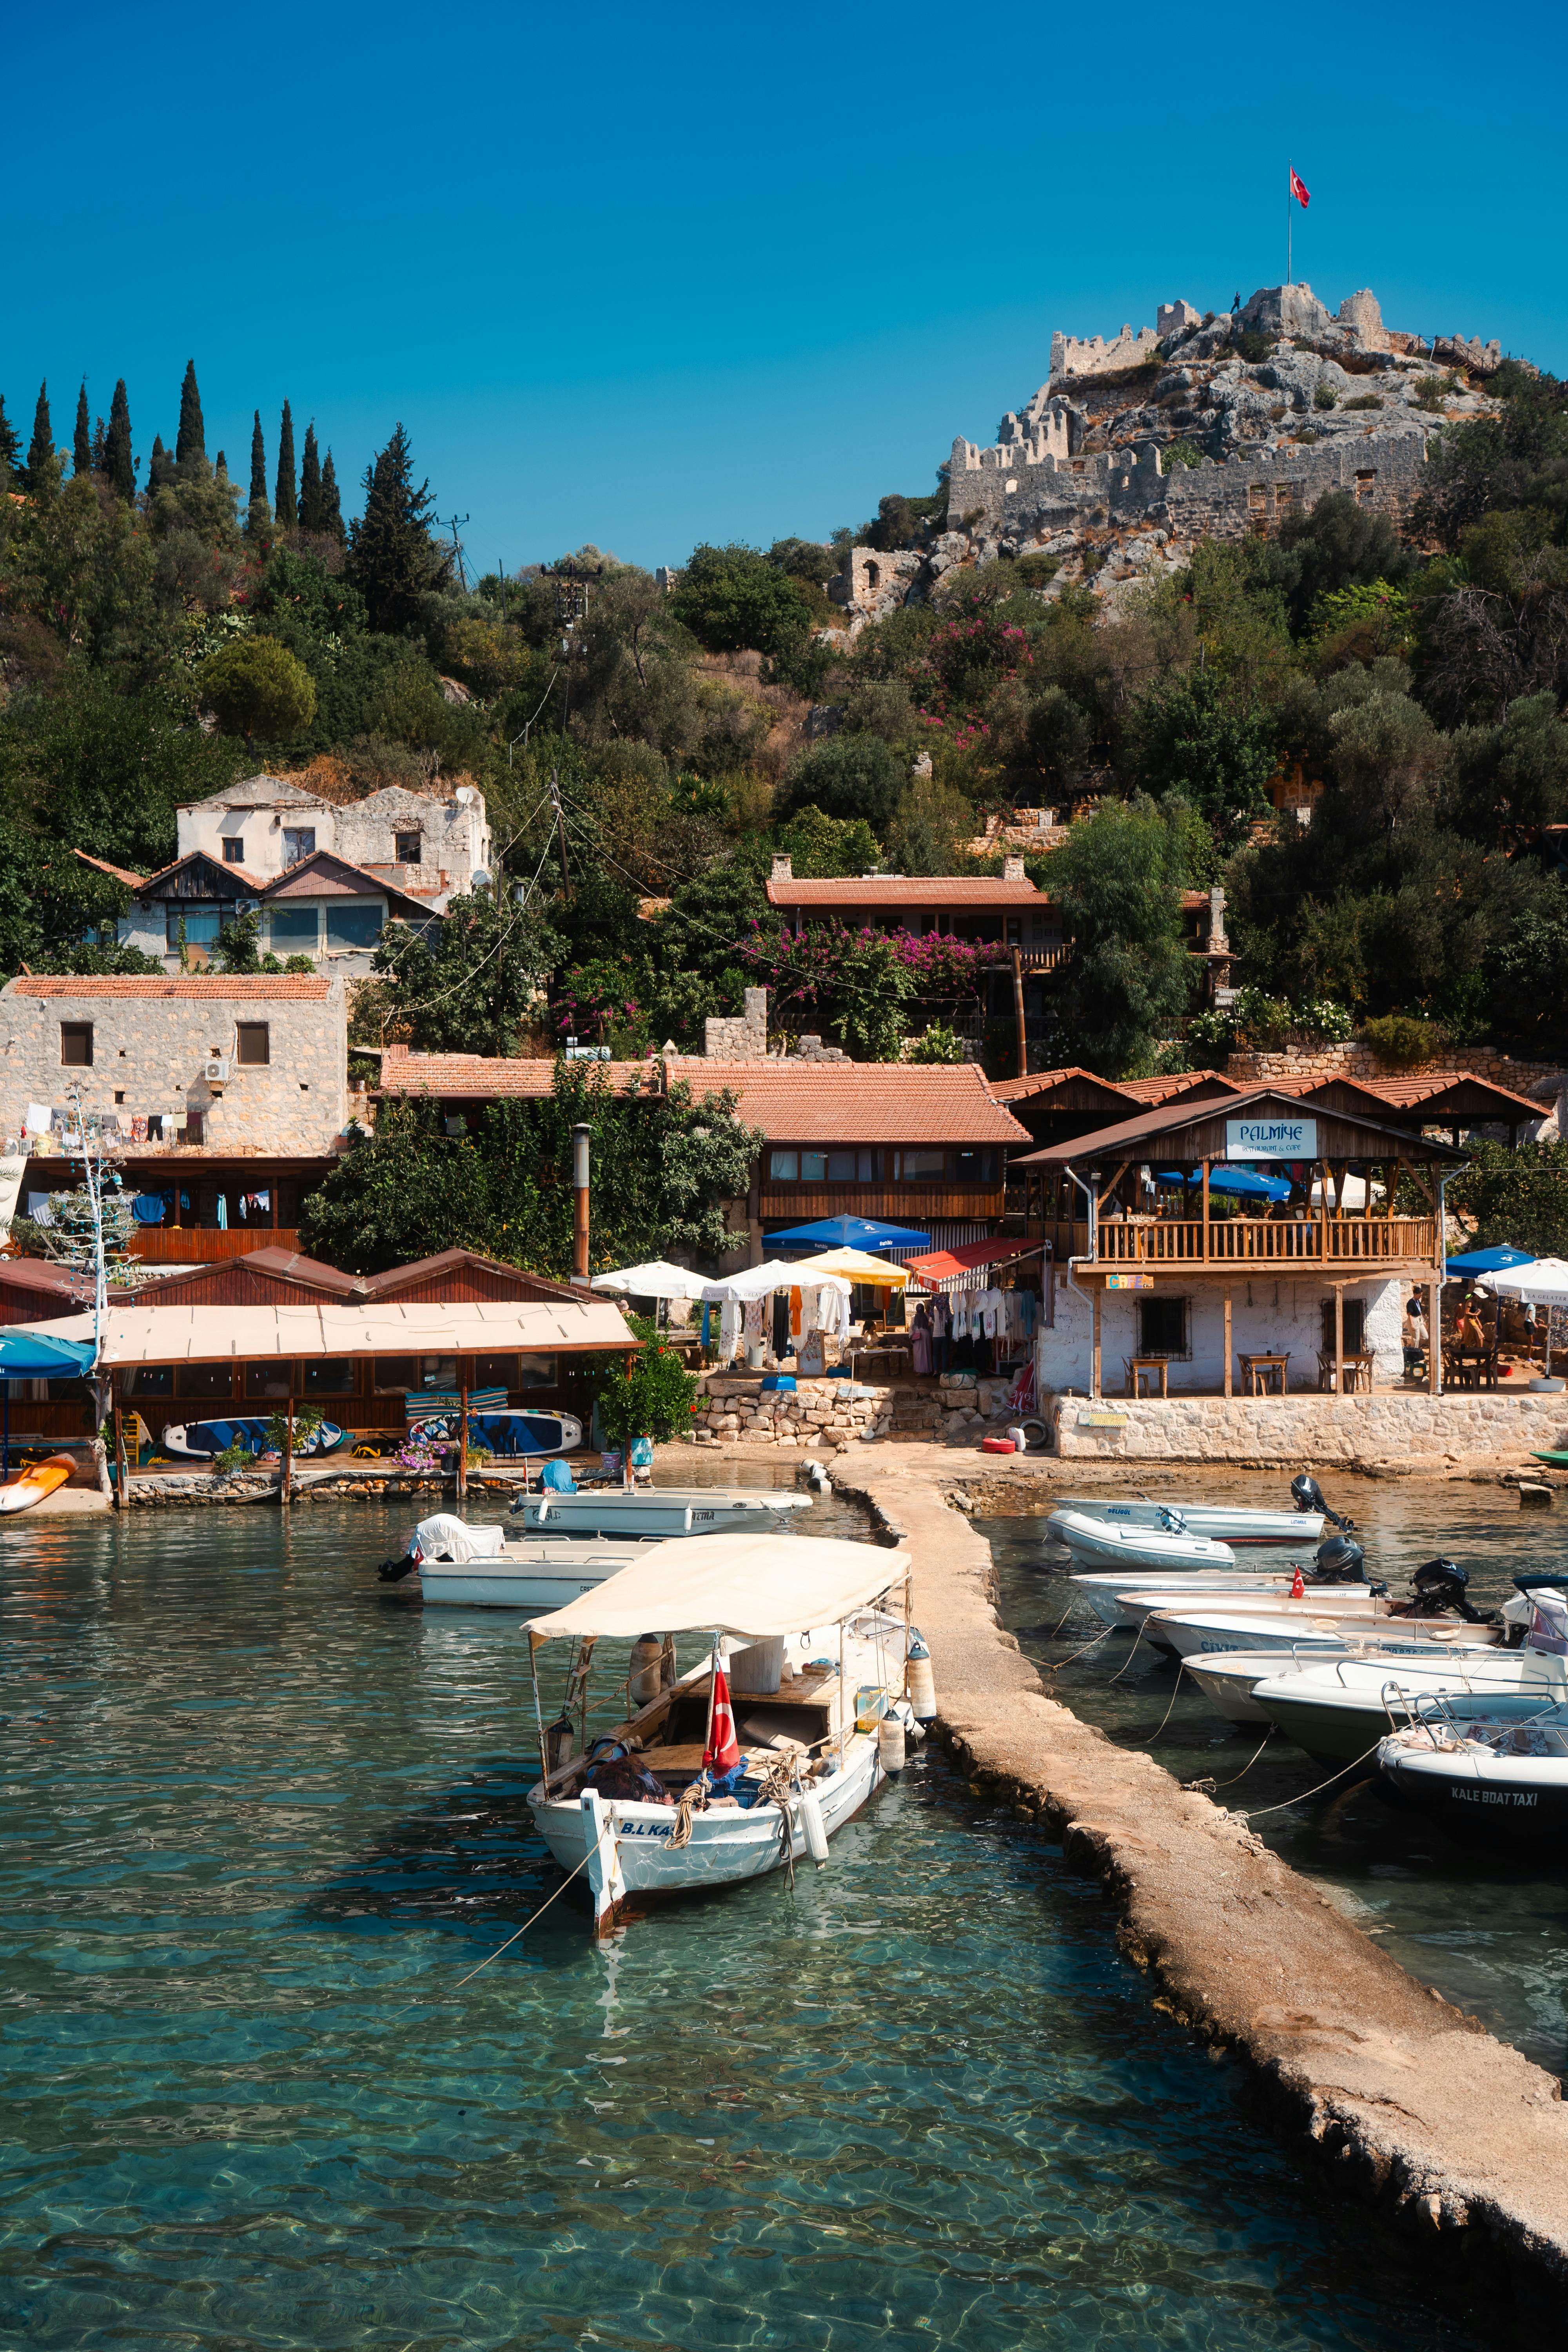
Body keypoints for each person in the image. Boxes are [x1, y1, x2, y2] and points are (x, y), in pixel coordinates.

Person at [1402, 1296, 1426, 1375]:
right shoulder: (1411, 1302)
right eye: (1419, 1295)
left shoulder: (1418, 1301)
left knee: (1425, 1337)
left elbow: (1420, 1312)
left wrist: (1423, 1320)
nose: (1420, 1296)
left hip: (1419, 1319)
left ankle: (1414, 1351)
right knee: (1416, 1339)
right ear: (1415, 1294)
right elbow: (1410, 1314)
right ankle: (1415, 1356)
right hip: (1414, 1320)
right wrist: (1412, 1324)